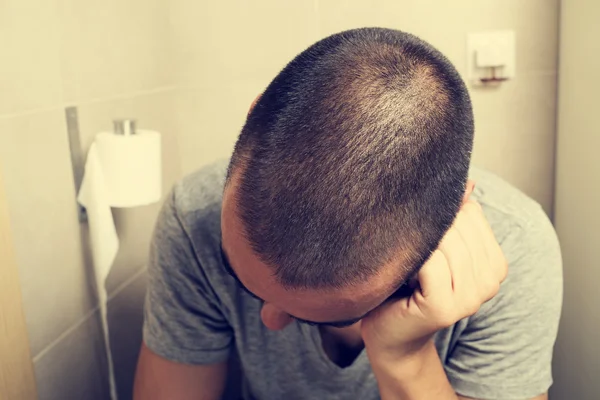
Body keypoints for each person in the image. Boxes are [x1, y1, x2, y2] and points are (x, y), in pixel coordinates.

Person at [133, 28, 562, 400]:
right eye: (234, 270)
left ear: (450, 219)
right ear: (252, 119)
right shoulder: (194, 216)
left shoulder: (518, 247)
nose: (270, 318)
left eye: (339, 314)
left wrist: (405, 358)